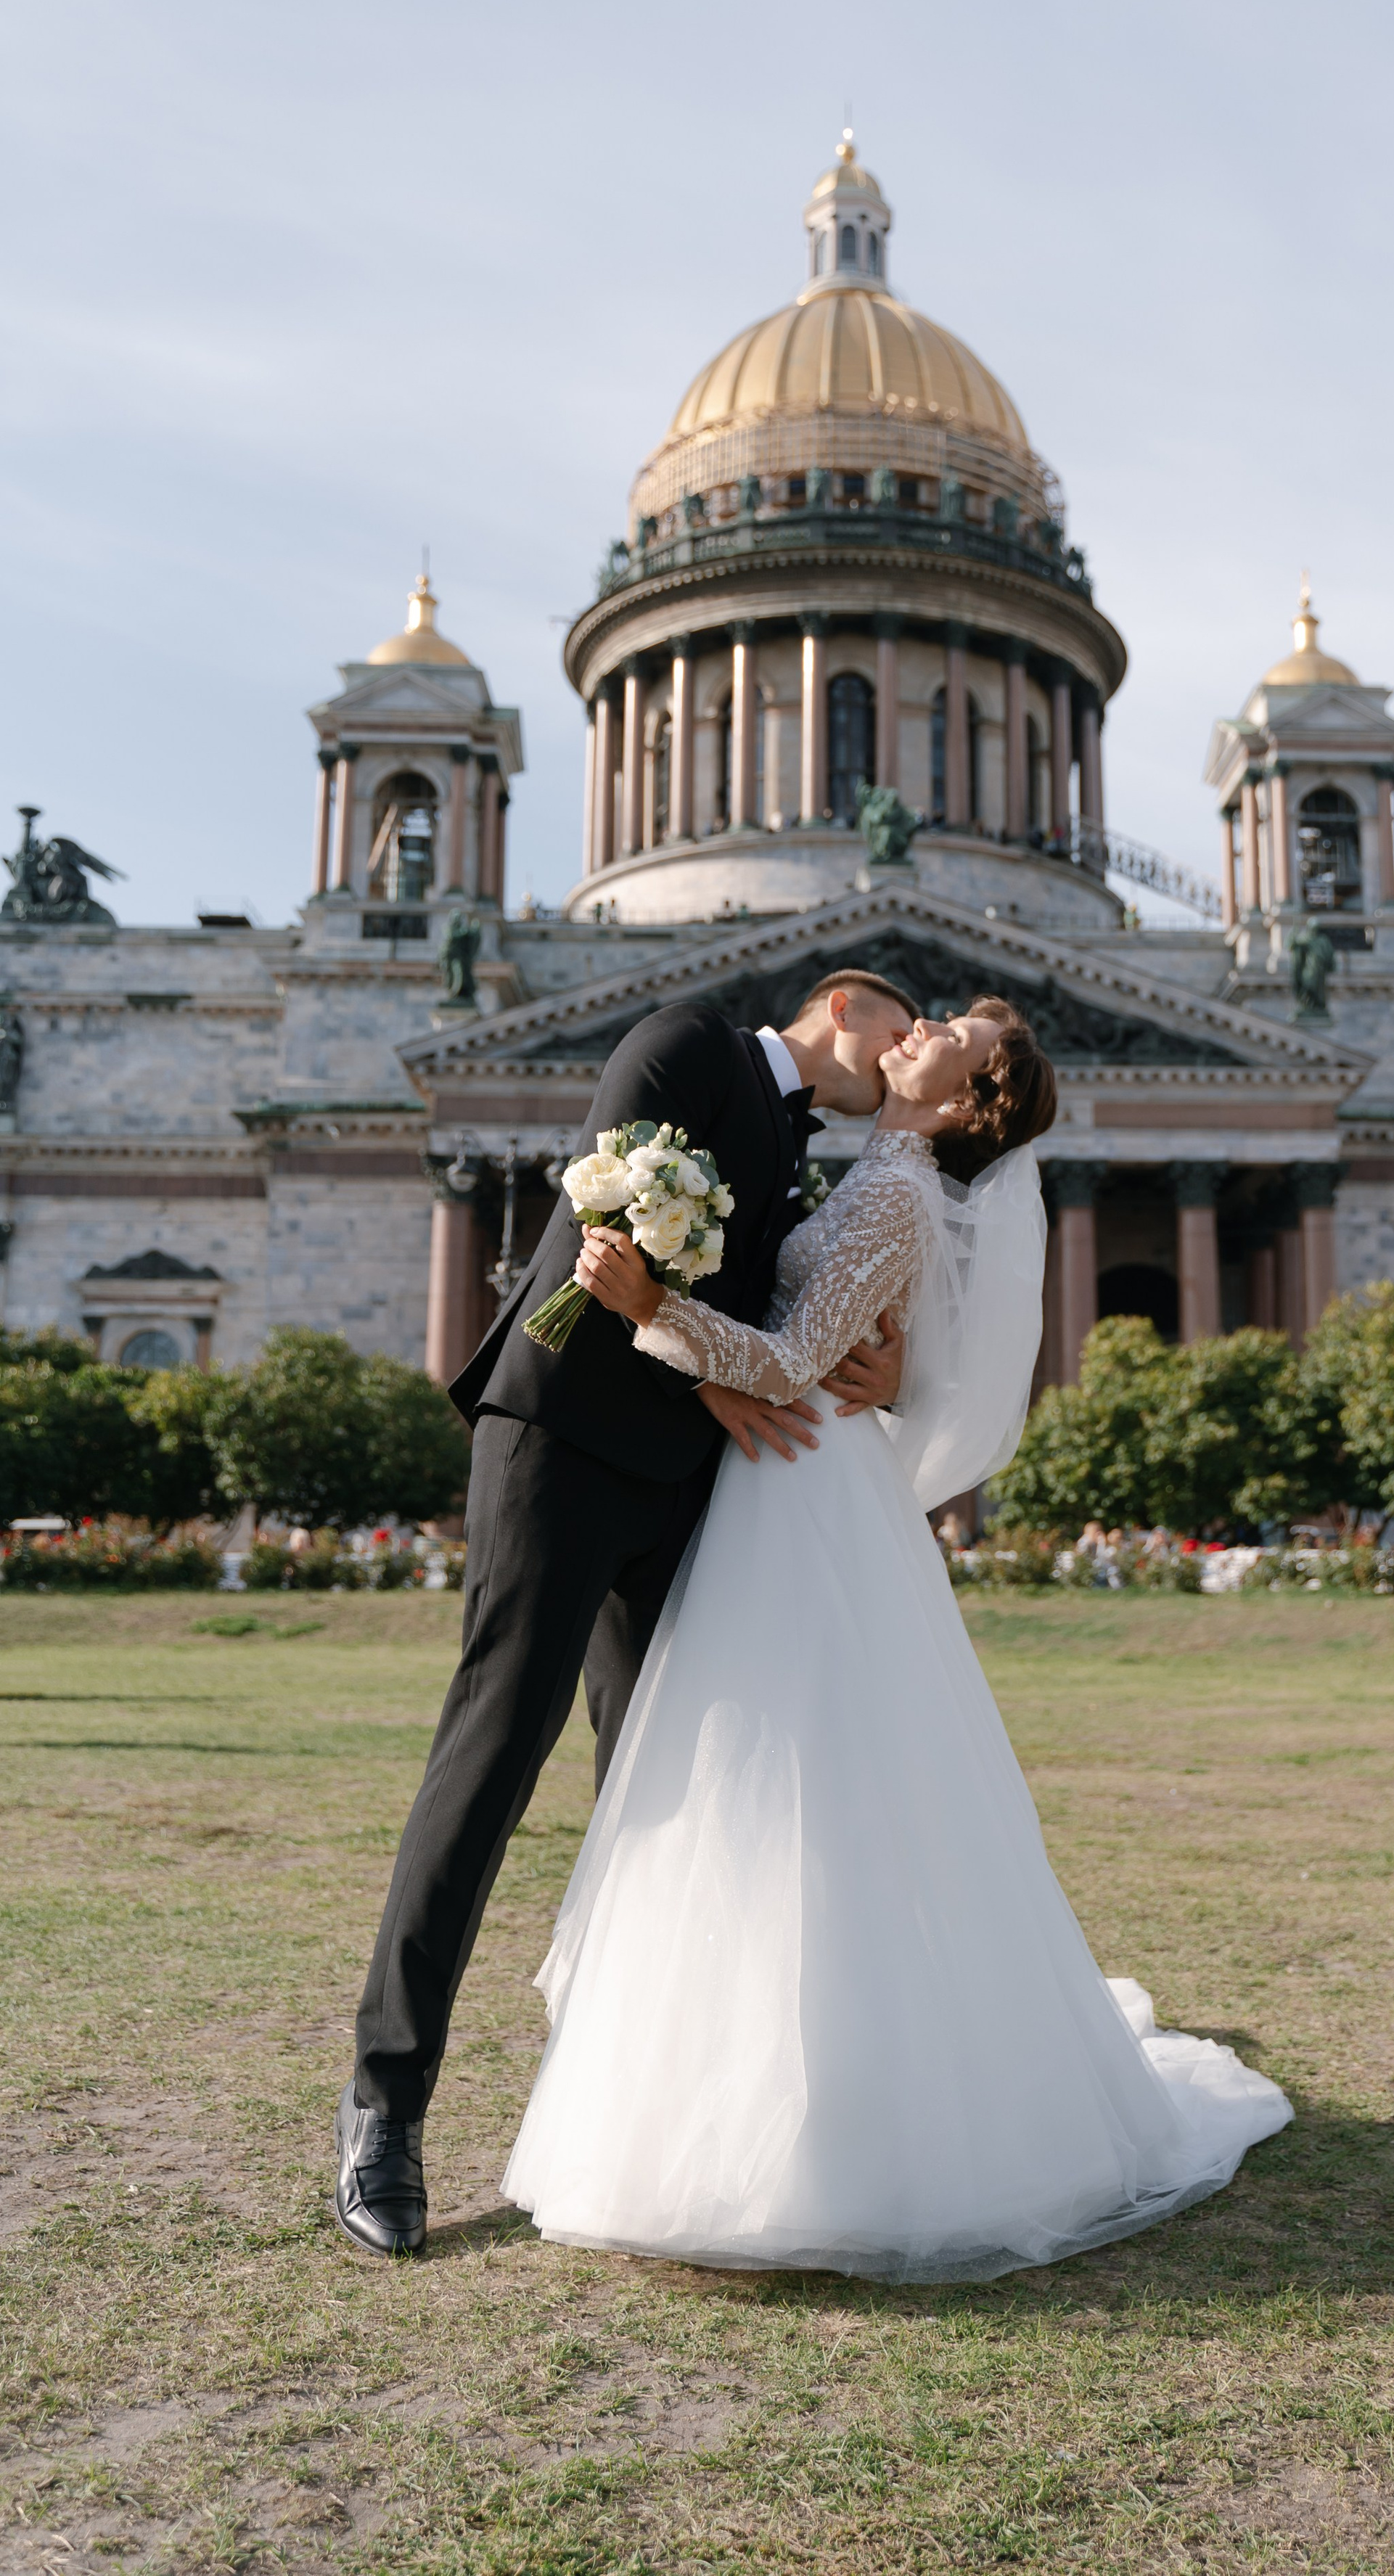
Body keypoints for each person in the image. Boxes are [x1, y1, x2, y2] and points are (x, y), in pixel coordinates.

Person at [501, 997, 1292, 2281]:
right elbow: (835, 1340)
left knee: (784, 1792)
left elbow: (796, 1357)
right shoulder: (878, 1173)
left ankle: (812, 2132)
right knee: (791, 1793)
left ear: (969, 1101)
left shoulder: (899, 1192)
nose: (918, 1028)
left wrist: (649, 1301)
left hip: (798, 1494)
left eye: (950, 1039)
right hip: (794, 1489)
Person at [335, 971, 917, 2257]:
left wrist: (881, 1360)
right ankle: (385, 2105)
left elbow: (763, 1325)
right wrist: (707, 1381)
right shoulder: (684, 1044)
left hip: (682, 1490)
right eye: (903, 1025)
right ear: (842, 1007)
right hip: (559, 1443)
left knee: (659, 1795)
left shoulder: (808, 1154)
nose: (910, 1051)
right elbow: (610, 1226)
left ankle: (618, 2106)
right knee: (491, 1761)